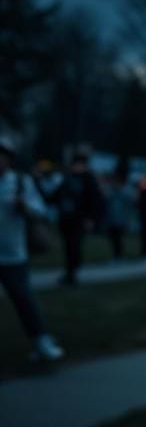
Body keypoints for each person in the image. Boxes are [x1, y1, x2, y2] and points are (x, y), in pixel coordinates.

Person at [0, 139, 64, 362]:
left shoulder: (20, 182)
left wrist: (24, 207)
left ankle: (41, 340)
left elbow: (41, 211)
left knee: (23, 299)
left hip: (12, 254)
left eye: (3, 155)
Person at [51, 151, 103, 285]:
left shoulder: (88, 179)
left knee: (74, 245)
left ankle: (72, 272)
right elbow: (55, 196)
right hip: (66, 218)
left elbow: (95, 200)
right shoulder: (68, 178)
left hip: (79, 219)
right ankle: (70, 271)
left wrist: (91, 218)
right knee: (68, 245)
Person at [104, 169, 132, 261]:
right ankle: (116, 256)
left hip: (120, 219)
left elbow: (129, 203)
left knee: (119, 238)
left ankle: (120, 256)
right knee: (113, 238)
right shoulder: (110, 190)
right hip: (112, 218)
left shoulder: (125, 191)